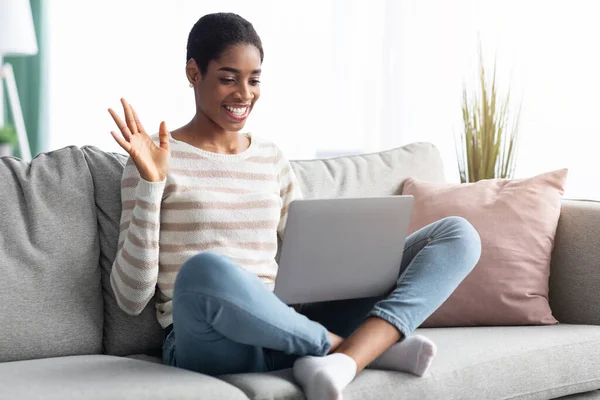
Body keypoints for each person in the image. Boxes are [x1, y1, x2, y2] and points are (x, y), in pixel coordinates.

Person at [108, 12, 481, 400]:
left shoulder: (270, 157)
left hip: (288, 323)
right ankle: (357, 350)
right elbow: (132, 299)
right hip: (213, 342)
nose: (244, 94)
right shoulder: (153, 158)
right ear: (194, 72)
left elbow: (311, 259)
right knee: (204, 270)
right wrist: (152, 184)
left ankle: (342, 357)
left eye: (254, 80)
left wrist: (354, 264)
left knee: (458, 233)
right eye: (228, 78)